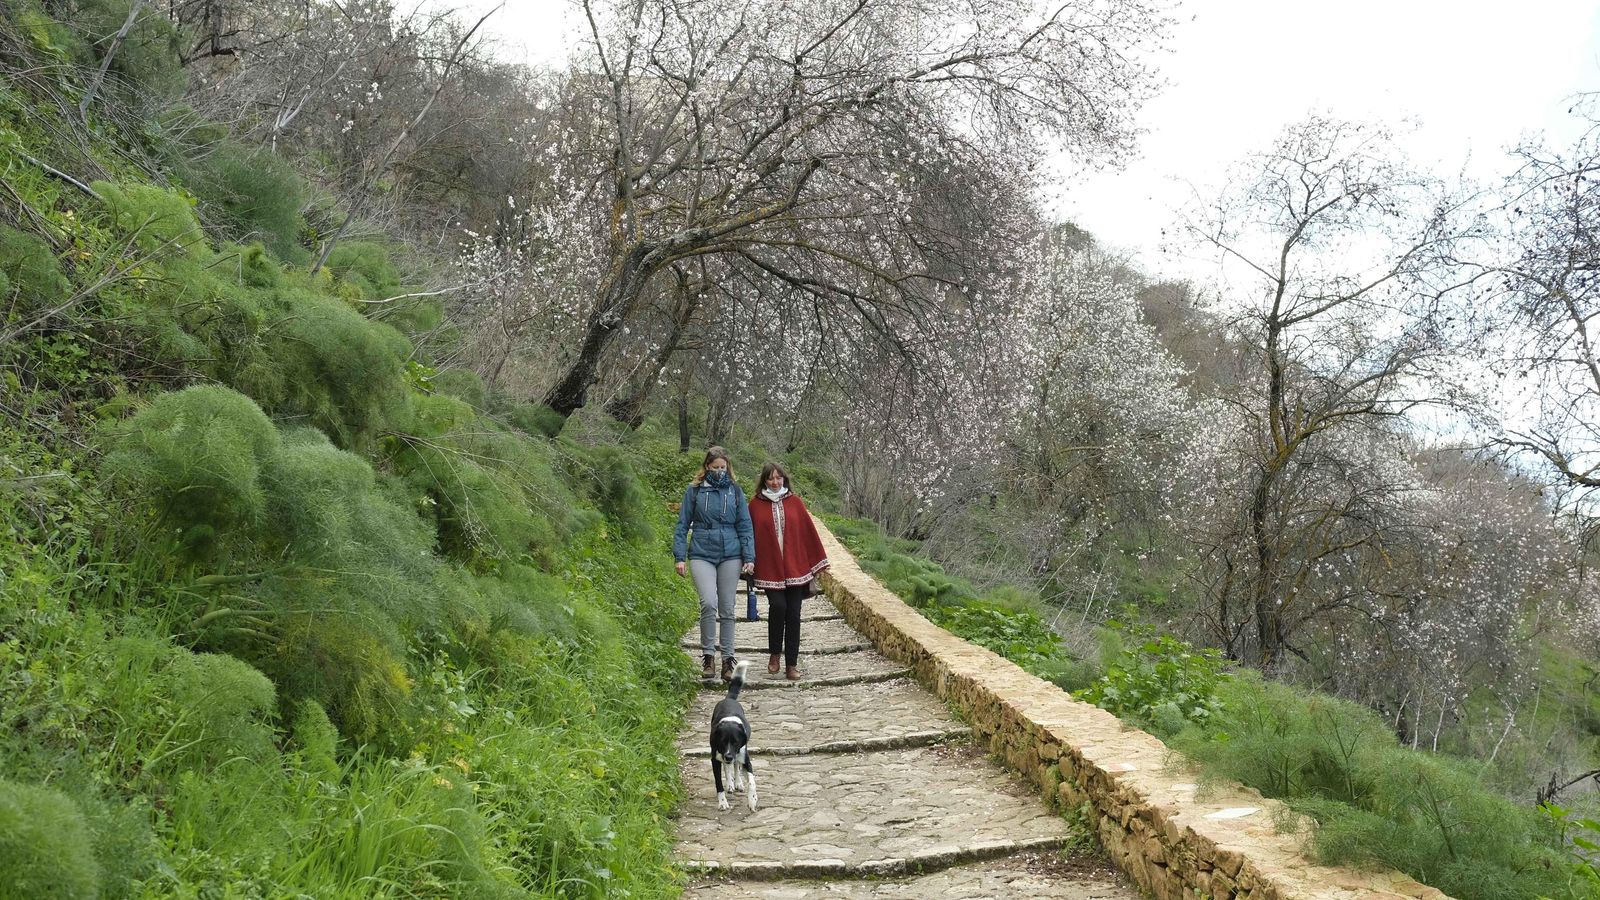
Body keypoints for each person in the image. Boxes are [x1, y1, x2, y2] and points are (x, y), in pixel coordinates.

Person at [673, 446, 755, 681]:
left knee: (728, 608)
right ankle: (708, 655)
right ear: (707, 466)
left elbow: (745, 525)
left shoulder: (735, 491)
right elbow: (682, 524)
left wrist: (749, 557)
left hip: (731, 552)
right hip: (701, 552)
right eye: (716, 467)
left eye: (723, 467)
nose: (720, 471)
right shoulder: (695, 491)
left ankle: (728, 659)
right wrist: (680, 556)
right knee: (709, 603)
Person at [748, 462, 829, 680]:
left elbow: (808, 533)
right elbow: (749, 535)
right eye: (771, 479)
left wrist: (817, 562)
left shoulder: (796, 503)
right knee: (778, 606)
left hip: (797, 567)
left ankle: (791, 664)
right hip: (770, 568)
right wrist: (748, 560)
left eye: (779, 478)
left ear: (784, 479)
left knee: (794, 614)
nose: (775, 482)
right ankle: (775, 653)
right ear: (764, 481)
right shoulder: (755, 505)